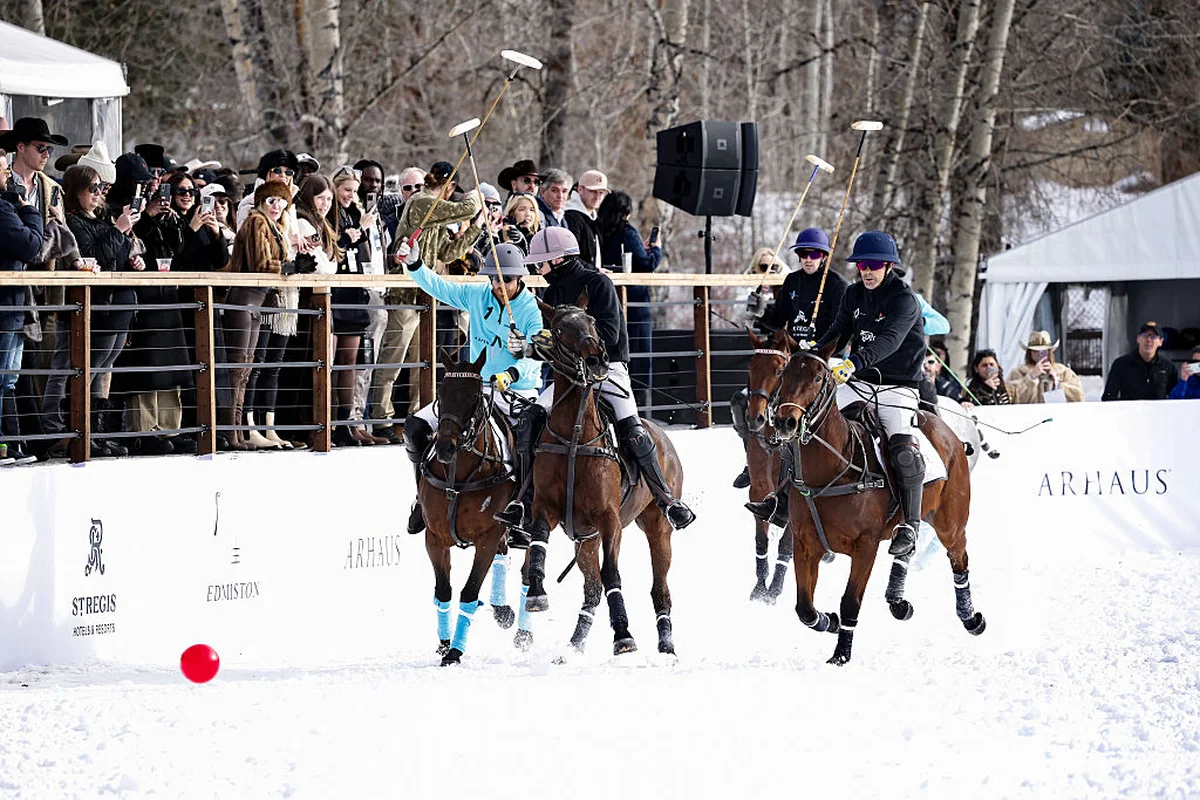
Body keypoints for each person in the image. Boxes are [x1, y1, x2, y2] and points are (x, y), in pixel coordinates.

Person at [495, 227, 695, 542]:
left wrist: (566, 341)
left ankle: (666, 499)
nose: (537, 269)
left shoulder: (597, 283)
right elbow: (552, 342)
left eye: (541, 263)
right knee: (532, 417)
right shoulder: (551, 293)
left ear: (557, 258)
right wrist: (530, 346)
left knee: (632, 427)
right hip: (569, 379)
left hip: (607, 369)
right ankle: (523, 499)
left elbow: (611, 334)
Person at [747, 231, 926, 558]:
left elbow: (890, 340)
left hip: (898, 385)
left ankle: (909, 525)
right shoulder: (855, 294)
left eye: (873, 265)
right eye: (861, 265)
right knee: (805, 426)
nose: (866, 271)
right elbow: (837, 332)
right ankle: (785, 499)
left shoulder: (904, 300)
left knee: (902, 445)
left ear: (888, 266)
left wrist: (853, 362)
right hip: (858, 381)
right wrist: (814, 356)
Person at [395, 239, 544, 535]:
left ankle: (523, 506)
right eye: (493, 279)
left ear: (521, 278)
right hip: (475, 389)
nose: (499, 286)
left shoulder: (531, 310)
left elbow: (539, 359)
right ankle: (421, 498)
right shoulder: (478, 295)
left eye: (506, 280)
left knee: (530, 436)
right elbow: (441, 288)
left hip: (516, 390)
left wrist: (516, 367)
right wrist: (414, 264)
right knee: (414, 428)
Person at [733, 228, 844, 488]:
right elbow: (777, 319)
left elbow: (842, 326)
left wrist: (819, 344)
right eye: (803, 253)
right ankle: (754, 462)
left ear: (824, 256)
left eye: (814, 254)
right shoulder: (792, 282)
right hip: (794, 359)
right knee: (749, 400)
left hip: (828, 358)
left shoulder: (837, 286)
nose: (808, 258)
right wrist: (757, 312)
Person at [57, 158, 145, 457]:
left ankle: (98, 431)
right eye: (92, 188)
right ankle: (82, 432)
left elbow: (115, 258)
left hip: (119, 302)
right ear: (76, 191)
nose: (98, 193)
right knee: (92, 367)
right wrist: (118, 231)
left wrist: (132, 258)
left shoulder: (101, 219)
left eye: (101, 188)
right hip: (99, 305)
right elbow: (94, 256)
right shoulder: (73, 221)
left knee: (105, 368)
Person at [224, 181, 293, 450]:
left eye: (282, 201)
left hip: (259, 297)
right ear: (261, 202)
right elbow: (260, 263)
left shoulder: (276, 226)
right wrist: (288, 266)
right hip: (245, 296)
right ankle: (232, 431)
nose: (277, 206)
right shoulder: (257, 221)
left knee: (247, 366)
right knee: (239, 366)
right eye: (271, 201)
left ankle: (239, 431)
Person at [327, 165, 377, 446]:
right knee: (332, 360)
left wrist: (362, 225)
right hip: (337, 292)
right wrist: (354, 232)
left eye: (354, 191)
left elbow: (363, 248)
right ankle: (331, 421)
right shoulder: (330, 214)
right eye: (346, 190)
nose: (350, 195)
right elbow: (334, 248)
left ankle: (347, 422)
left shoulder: (355, 212)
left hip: (355, 290)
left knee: (351, 361)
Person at [598, 190, 661, 407]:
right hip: (634, 302)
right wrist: (656, 251)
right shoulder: (627, 232)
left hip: (608, 302)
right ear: (627, 212)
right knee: (640, 354)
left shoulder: (600, 231)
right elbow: (646, 265)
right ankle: (640, 408)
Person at [0, 183, 44, 465]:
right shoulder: (4, 208)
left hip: (13, 304)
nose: (7, 175)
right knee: (3, 377)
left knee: (8, 380)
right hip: (5, 304)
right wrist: (29, 209)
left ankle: (7, 443)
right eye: (3, 169)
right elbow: (32, 246)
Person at [1102, 322, 1177, 401]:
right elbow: (1108, 397)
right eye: (1145, 336)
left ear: (1160, 342)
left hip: (1157, 412)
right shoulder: (1121, 364)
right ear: (1138, 339)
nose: (1148, 340)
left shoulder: (1168, 368)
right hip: (1130, 412)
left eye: (1154, 337)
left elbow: (1174, 399)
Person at [1007, 331, 1085, 403]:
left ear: (1049, 352)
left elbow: (1079, 397)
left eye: (1043, 351)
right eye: (1035, 351)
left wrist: (1057, 383)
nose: (1038, 354)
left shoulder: (1063, 372)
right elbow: (1010, 397)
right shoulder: (1017, 373)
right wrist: (1030, 378)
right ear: (1029, 352)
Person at [564, 169, 608, 270]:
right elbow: (569, 257)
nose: (597, 197)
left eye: (601, 193)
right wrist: (594, 270)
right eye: (593, 191)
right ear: (580, 190)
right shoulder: (572, 217)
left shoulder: (593, 218)